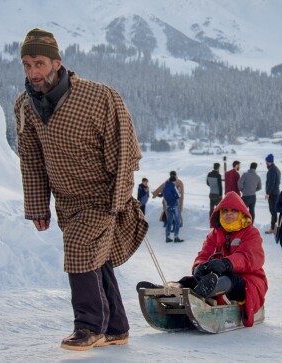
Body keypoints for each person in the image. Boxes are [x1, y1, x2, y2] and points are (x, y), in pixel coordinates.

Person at [14, 28, 147, 351]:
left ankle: (88, 326)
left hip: (101, 196)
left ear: (57, 63)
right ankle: (116, 327)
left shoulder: (98, 96)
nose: (33, 72)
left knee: (78, 251)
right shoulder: (24, 105)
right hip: (67, 202)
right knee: (95, 260)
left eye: (40, 64)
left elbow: (123, 146)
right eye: (27, 64)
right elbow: (31, 160)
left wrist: (119, 198)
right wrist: (38, 208)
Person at [185, 192, 267, 327]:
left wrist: (227, 263)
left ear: (241, 213)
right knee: (190, 279)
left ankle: (199, 293)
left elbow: (249, 257)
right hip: (216, 276)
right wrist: (199, 266)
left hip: (248, 280)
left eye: (233, 211)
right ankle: (173, 291)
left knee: (228, 279)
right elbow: (204, 254)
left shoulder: (251, 233)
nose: (229, 214)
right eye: (226, 211)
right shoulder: (215, 234)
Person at [162, 172, 183, 243]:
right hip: (174, 205)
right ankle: (176, 237)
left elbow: (165, 196)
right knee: (177, 222)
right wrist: (179, 192)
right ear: (174, 181)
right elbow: (178, 196)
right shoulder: (173, 186)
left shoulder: (165, 187)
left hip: (168, 205)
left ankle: (167, 237)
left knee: (169, 221)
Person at [264, 154, 281, 234]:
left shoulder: (271, 170)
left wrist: (268, 193)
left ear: (268, 161)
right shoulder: (276, 169)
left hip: (273, 194)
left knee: (273, 211)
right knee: (274, 211)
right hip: (276, 192)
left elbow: (271, 182)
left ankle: (273, 228)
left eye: (266, 161)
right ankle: (275, 227)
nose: (265, 163)